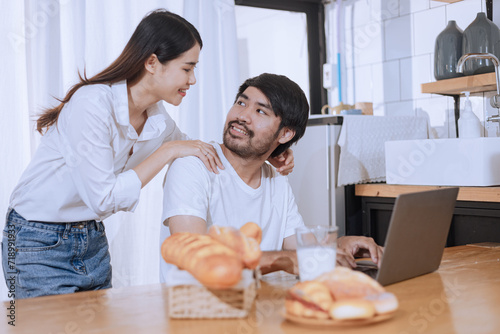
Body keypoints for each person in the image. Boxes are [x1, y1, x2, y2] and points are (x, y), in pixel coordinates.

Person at [2, 10, 293, 299]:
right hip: (34, 238)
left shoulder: (157, 119)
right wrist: (168, 150)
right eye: (187, 68)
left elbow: (203, 149)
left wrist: (269, 152)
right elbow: (103, 198)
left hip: (90, 237)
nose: (192, 80)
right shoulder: (91, 105)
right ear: (153, 63)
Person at [160, 73, 383, 280]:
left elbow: (297, 249)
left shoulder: (276, 180)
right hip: (199, 315)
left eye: (260, 111)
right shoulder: (192, 166)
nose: (242, 116)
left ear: (285, 134)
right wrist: (284, 260)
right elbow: (194, 258)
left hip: (258, 309)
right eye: (241, 102)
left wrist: (340, 245)